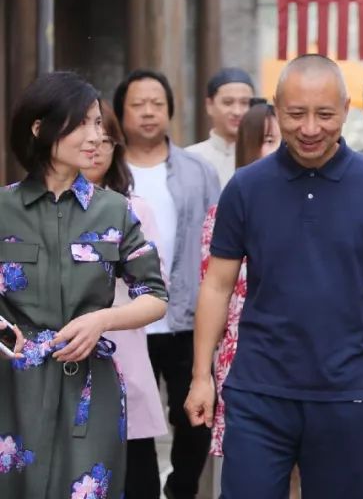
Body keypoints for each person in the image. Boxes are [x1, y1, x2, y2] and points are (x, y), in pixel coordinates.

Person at [186, 54, 363, 499]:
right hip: (258, 391)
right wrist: (201, 376)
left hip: (348, 391)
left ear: (345, 110)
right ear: (276, 108)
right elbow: (217, 284)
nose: (310, 128)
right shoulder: (246, 187)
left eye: (324, 115)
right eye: (295, 114)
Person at [0, 72, 167, 498]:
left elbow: (155, 295)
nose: (96, 136)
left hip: (90, 389)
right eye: (81, 124)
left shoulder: (115, 211)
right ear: (39, 129)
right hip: (12, 388)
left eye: (97, 124)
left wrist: (101, 321)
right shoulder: (3, 208)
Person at [113, 69, 220, 499]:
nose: (148, 112)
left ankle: (179, 489)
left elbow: (216, 243)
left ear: (170, 110)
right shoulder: (107, 169)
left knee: (194, 419)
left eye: (157, 103)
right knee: (133, 420)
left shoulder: (198, 171)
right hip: (126, 321)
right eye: (137, 104)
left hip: (186, 316)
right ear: (120, 112)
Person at [83, 102, 170, 499]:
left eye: (107, 139)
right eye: (89, 137)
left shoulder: (133, 210)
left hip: (122, 356)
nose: (97, 147)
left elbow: (156, 286)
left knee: (135, 476)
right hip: (56, 365)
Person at [197, 103, 284, 489]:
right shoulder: (226, 211)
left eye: (282, 140)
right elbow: (213, 290)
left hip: (306, 354)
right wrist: (202, 374)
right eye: (268, 140)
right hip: (243, 353)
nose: (278, 149)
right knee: (253, 473)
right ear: (248, 146)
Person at [187, 68, 256, 187]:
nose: (237, 111)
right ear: (209, 105)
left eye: (244, 103)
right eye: (228, 102)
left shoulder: (264, 156)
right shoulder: (190, 158)